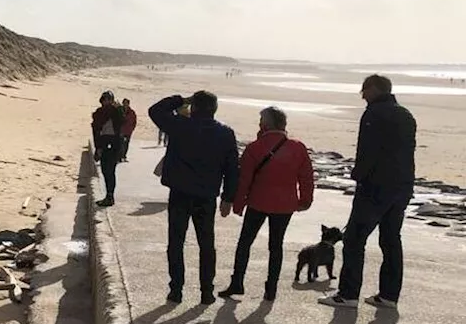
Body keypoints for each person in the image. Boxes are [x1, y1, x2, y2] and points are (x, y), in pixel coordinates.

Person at [320, 74, 417, 310]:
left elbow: (368, 150)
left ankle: (348, 294)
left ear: (374, 89)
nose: (363, 95)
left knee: (354, 239)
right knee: (391, 240)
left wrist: (358, 175)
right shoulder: (406, 114)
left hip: (376, 186)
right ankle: (389, 295)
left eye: (364, 90)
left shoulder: (374, 114)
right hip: (402, 185)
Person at [149, 91, 240, 305]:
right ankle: (206, 292)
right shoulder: (225, 133)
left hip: (180, 192)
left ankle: (176, 290)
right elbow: (232, 169)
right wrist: (228, 198)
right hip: (206, 196)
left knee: (176, 242)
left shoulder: (180, 125)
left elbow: (155, 110)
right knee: (206, 244)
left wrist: (181, 100)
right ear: (214, 109)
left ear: (194, 108)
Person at [219, 106, 314, 301]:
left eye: (261, 120)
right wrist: (305, 200)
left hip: (258, 202)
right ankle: (271, 289)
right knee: (275, 246)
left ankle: (237, 282)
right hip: (285, 204)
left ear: (267, 124)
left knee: (245, 243)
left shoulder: (255, 147)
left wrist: (238, 204)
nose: (259, 123)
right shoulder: (297, 147)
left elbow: (244, 178)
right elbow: (306, 178)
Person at [91, 90, 125, 207]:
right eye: (105, 99)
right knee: (106, 172)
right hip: (104, 144)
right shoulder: (99, 113)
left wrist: (120, 108)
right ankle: (109, 196)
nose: (107, 102)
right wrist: (98, 148)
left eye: (109, 100)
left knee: (110, 171)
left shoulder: (116, 112)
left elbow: (122, 122)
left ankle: (110, 196)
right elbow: (96, 131)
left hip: (112, 144)